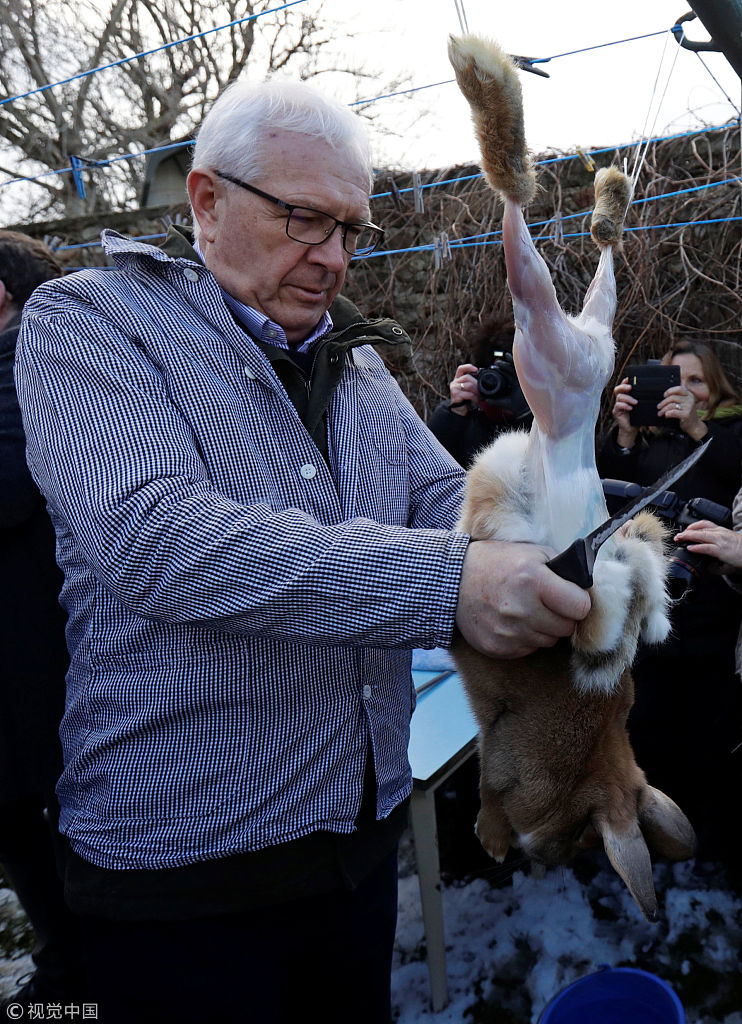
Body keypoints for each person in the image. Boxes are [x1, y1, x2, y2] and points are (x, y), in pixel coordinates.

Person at [14, 80, 590, 1024]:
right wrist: (452, 583)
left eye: (351, 231)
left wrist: (564, 510)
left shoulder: (355, 361)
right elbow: (156, 540)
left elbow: (448, 501)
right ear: (206, 199)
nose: (333, 259)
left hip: (355, 844)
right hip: (185, 868)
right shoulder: (90, 323)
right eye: (303, 221)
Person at [598, 338, 742, 873]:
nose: (683, 391)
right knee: (649, 729)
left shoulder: (726, 433)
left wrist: (697, 429)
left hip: (712, 615)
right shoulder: (649, 440)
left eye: (696, 381)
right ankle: (659, 842)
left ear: (716, 390)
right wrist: (627, 433)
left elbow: (735, 471)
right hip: (647, 612)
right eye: (671, 381)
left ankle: (713, 851)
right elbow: (613, 495)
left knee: (712, 735)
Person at [0, 231, 83, 1008]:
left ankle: (76, 975)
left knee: (41, 814)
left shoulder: (29, 367)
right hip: (29, 646)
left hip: (35, 649)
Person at [428, 315, 532, 468]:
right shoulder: (460, 415)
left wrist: (527, 414)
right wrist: (453, 414)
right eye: (493, 376)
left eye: (511, 376)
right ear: (478, 373)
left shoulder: (542, 419)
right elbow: (430, 472)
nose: (499, 384)